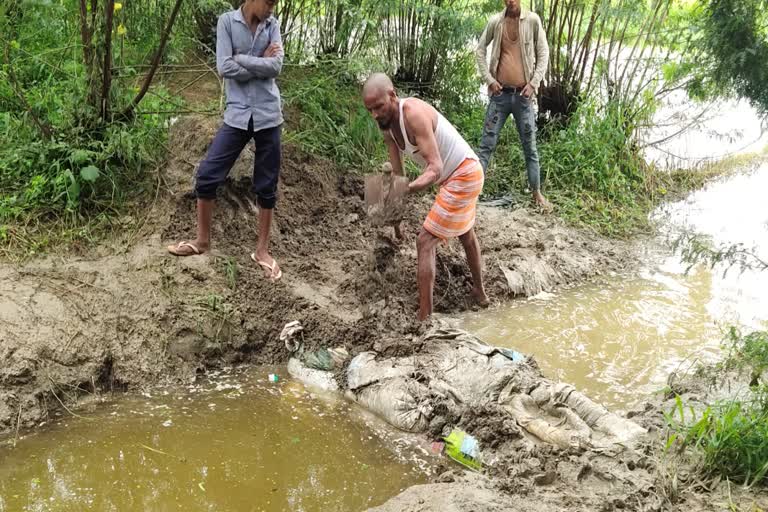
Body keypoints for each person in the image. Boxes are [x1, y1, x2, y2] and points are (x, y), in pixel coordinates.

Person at [167, 0, 283, 281]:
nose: (272, 7)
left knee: (266, 185)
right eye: (269, 2)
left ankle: (262, 251)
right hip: (237, 115)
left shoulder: (273, 24)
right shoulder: (226, 23)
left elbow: (276, 66)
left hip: (269, 114)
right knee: (207, 176)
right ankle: (202, 241)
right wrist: (259, 62)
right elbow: (223, 66)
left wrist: (241, 58)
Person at [362, 73, 490, 321]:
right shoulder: (388, 127)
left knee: (425, 241)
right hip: (459, 175)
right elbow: (398, 176)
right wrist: (396, 227)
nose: (375, 114)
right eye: (370, 110)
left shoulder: (413, 113)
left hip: (463, 174)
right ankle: (480, 293)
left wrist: (407, 189)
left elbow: (435, 168)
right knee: (466, 234)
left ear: (393, 95)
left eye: (378, 107)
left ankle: (425, 317)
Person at [475, 0, 550, 208]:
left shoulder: (532, 21)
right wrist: (490, 80)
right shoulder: (496, 22)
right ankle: (471, 193)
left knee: (530, 147)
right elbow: (480, 50)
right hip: (500, 96)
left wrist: (534, 84)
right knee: (486, 145)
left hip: (523, 97)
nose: (511, 1)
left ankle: (536, 193)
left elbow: (544, 53)